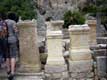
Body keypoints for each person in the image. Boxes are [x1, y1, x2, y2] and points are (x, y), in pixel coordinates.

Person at [5, 12, 18, 80]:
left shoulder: (4, 21)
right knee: (13, 56)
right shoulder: (13, 22)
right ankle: (12, 73)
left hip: (5, 40)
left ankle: (8, 70)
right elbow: (16, 31)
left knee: (7, 56)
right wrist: (17, 39)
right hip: (12, 40)